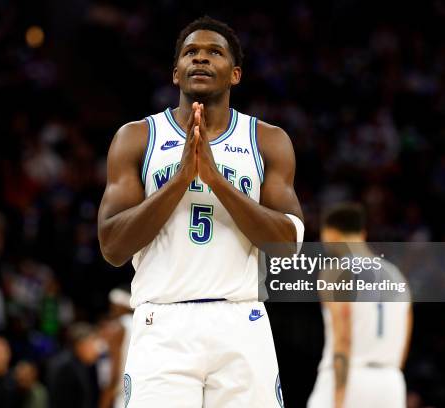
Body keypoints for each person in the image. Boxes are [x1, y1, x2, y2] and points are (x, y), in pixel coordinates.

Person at [98, 16, 304, 407]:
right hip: (162, 323)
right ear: (176, 73)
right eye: (190, 52)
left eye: (215, 52)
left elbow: (286, 247)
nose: (201, 59)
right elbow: (112, 246)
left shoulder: (268, 140)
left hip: (241, 321)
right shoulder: (137, 137)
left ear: (235, 73)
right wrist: (179, 181)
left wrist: (214, 180)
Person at [307, 203, 413, 408]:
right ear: (362, 233)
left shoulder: (336, 271)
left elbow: (343, 336)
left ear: (330, 233)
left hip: (351, 378)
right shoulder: (398, 276)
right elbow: (404, 343)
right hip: (391, 382)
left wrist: (338, 399)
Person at [46, 322, 103, 408]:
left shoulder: (84, 364)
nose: (97, 350)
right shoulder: (64, 367)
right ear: (80, 345)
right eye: (92, 344)